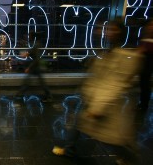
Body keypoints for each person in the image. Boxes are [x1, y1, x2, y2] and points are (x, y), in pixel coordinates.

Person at [52, 18, 143, 165]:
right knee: (83, 124)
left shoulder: (123, 57)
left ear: (121, 32)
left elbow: (113, 84)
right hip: (96, 101)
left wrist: (97, 107)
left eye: (113, 29)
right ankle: (69, 147)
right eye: (107, 29)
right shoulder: (108, 52)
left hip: (105, 106)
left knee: (113, 137)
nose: (107, 32)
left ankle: (128, 158)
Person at [16, 31, 52, 102]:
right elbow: (31, 52)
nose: (28, 37)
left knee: (30, 82)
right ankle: (19, 95)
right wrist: (26, 54)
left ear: (33, 37)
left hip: (35, 67)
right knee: (34, 82)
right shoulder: (37, 44)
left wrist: (29, 67)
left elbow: (36, 58)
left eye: (29, 36)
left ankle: (19, 95)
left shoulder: (36, 45)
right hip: (35, 66)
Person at [137, 19, 153, 111]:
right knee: (144, 84)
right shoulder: (143, 37)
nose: (151, 27)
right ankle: (143, 103)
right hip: (144, 65)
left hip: (148, 65)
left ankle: (144, 104)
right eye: (150, 25)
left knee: (145, 85)